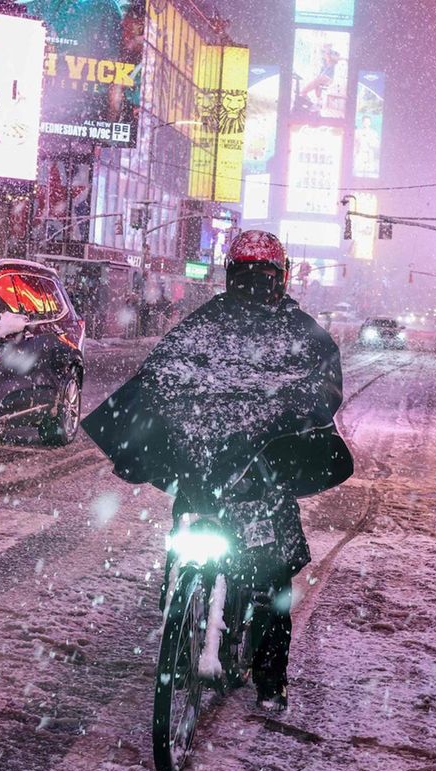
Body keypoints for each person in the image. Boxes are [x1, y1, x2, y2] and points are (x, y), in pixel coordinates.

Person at [82, 230, 353, 711]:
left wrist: (287, 418)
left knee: (271, 580)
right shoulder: (205, 325)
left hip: (263, 475)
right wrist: (154, 417)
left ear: (280, 279)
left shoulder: (299, 332)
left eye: (263, 276)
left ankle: (271, 679)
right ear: (232, 278)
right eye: (245, 276)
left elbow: (324, 387)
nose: (254, 285)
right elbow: (162, 371)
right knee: (179, 551)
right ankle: (180, 621)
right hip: (204, 468)